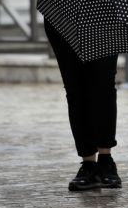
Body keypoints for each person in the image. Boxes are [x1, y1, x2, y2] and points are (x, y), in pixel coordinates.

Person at [44, 21, 122, 191]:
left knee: (103, 86)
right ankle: (88, 163)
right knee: (75, 89)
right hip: (62, 14)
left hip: (103, 14)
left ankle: (106, 159)